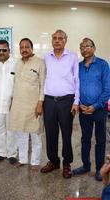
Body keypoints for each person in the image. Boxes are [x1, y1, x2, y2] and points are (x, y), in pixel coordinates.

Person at [40, 29, 79, 178]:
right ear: (51, 40)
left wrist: (76, 101)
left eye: (60, 38)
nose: (57, 40)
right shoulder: (46, 57)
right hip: (49, 100)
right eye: (54, 38)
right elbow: (44, 79)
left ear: (65, 41)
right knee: (50, 133)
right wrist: (42, 101)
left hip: (66, 101)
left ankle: (67, 163)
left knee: (66, 133)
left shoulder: (72, 56)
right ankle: (53, 161)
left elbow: (77, 80)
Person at [72, 38, 110, 181]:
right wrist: (80, 103)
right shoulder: (78, 66)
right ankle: (85, 165)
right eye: (82, 47)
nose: (84, 49)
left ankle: (100, 169)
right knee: (85, 139)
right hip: (83, 109)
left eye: (87, 46)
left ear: (94, 48)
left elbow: (107, 89)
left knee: (100, 140)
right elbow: (75, 86)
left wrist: (94, 106)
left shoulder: (102, 65)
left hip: (99, 110)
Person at [8, 38, 45, 171]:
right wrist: (12, 103)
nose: (24, 49)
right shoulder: (18, 63)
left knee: (35, 135)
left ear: (32, 48)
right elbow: (15, 84)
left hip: (33, 106)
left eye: (27, 47)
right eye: (21, 47)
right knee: (21, 134)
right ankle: (23, 159)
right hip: (18, 105)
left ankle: (35, 162)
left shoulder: (40, 62)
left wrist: (40, 103)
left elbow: (43, 84)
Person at [0, 40, 17, 164]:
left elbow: (19, 84)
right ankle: (2, 152)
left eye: (4, 50)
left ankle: (12, 153)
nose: (1, 52)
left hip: (12, 104)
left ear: (9, 50)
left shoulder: (16, 63)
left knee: (11, 130)